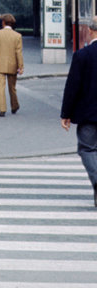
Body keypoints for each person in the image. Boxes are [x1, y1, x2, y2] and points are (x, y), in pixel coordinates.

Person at [60, 18, 97, 207]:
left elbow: (72, 86)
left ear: (90, 31)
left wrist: (66, 114)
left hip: (89, 114)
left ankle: (96, 179)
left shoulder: (82, 55)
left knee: (87, 149)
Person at [0, 13, 24, 116]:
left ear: (3, 22)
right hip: (12, 65)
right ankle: (14, 106)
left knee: (1, 88)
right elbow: (18, 53)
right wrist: (21, 67)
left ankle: (2, 109)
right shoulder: (17, 36)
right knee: (12, 87)